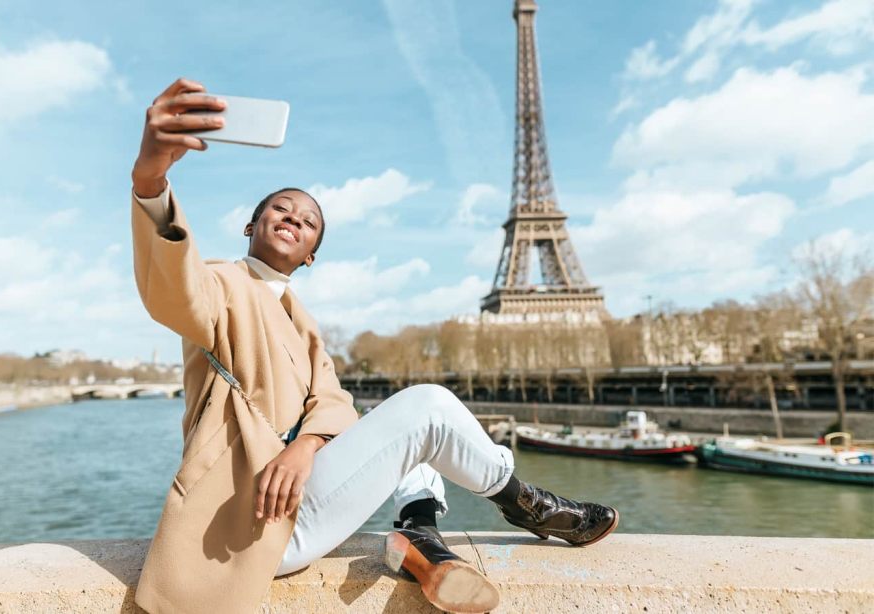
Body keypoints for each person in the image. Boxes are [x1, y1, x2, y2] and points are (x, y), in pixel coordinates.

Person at [130, 78, 619, 614]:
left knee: (391, 421)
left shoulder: (303, 322)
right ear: (251, 225)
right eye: (282, 210)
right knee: (427, 406)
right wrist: (152, 178)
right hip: (249, 525)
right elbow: (173, 292)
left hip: (297, 502)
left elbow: (335, 404)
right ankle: (522, 502)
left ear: (313, 253)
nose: (295, 218)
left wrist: (305, 447)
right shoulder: (222, 283)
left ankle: (419, 529)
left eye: (309, 220)